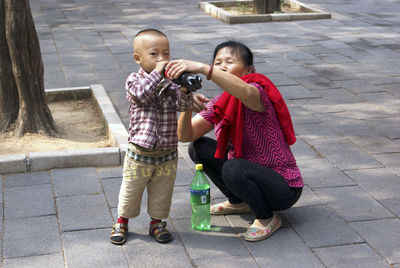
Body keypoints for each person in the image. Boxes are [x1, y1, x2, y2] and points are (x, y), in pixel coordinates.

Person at [165, 40, 303, 242]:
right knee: (199, 147)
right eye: (218, 62)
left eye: (229, 61)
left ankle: (267, 218)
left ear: (249, 69)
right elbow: (185, 136)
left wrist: (204, 68)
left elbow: (245, 92)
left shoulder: (258, 91)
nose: (222, 66)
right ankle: (239, 201)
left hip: (283, 187)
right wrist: (186, 101)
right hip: (245, 171)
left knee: (233, 167)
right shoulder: (221, 103)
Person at [110, 29, 193, 245]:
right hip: (140, 151)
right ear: (138, 58)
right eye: (154, 54)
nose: (162, 59)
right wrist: (158, 72)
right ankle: (121, 222)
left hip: (167, 151)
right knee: (131, 189)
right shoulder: (133, 80)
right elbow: (141, 95)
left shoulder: (172, 82)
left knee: (162, 191)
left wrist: (185, 90)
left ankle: (157, 222)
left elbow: (182, 106)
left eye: (166, 54)